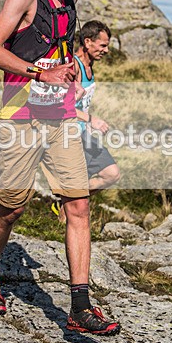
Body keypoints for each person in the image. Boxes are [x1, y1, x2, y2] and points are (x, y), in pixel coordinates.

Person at [0, 0, 120, 336]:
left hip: (60, 116)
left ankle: (80, 306)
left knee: (78, 205)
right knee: (12, 208)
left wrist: (71, 69)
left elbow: (62, 43)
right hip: (20, 115)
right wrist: (40, 71)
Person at [51, 20, 121, 223]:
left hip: (83, 133)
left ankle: (65, 199)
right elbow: (63, 106)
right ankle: (64, 218)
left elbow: (82, 104)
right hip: (68, 134)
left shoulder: (90, 67)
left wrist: (88, 125)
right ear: (88, 42)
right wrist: (92, 120)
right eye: (103, 45)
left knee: (112, 174)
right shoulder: (74, 66)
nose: (106, 50)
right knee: (78, 196)